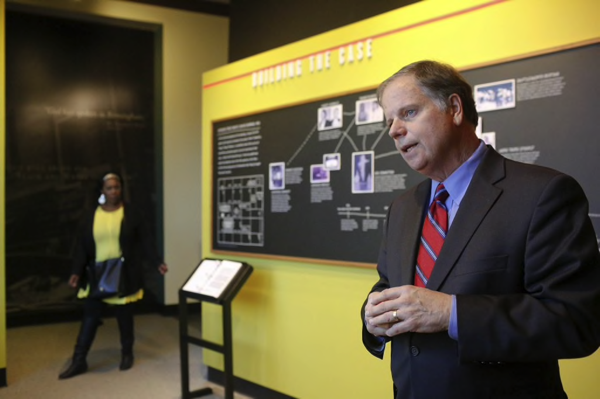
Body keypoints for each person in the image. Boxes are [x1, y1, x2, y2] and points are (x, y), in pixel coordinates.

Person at [361, 60, 600, 398]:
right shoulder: (402, 208)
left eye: (409, 113)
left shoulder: (543, 194)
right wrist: (373, 317)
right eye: (390, 121)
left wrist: (451, 313)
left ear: (455, 109)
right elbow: (388, 286)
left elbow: (576, 321)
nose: (394, 130)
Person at [59, 172, 168, 379]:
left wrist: (157, 262)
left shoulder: (132, 213)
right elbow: (82, 247)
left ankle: (127, 354)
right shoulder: (90, 215)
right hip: (96, 273)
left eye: (117, 187)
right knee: (90, 317)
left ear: (121, 188)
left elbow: (146, 240)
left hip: (123, 273)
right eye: (109, 188)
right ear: (102, 191)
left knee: (124, 316)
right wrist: (75, 271)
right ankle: (79, 360)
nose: (113, 191)